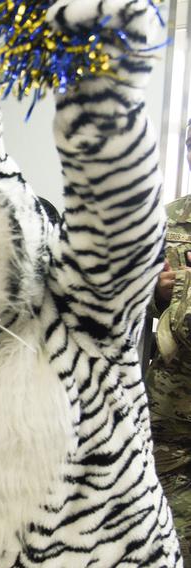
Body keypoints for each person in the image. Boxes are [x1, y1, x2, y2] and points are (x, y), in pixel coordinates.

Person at [146, 124, 191, 561]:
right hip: (171, 411)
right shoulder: (166, 220)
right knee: (167, 534)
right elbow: (128, 301)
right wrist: (156, 295)